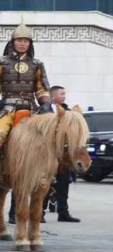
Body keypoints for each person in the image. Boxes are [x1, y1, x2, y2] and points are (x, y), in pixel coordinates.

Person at [0, 17, 52, 185]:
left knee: (50, 136)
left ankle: (47, 172)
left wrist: (45, 103)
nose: (23, 44)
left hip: (32, 108)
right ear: (13, 42)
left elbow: (41, 88)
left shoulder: (37, 64)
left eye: (26, 41)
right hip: (7, 108)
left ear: (30, 44)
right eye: (19, 40)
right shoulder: (0, 62)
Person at [49, 86, 79, 223]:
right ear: (53, 96)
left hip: (63, 155)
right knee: (46, 183)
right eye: (61, 94)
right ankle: (40, 213)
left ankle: (63, 213)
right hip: (48, 153)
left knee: (63, 184)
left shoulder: (67, 111)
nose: (64, 96)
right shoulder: (44, 110)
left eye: (64, 94)